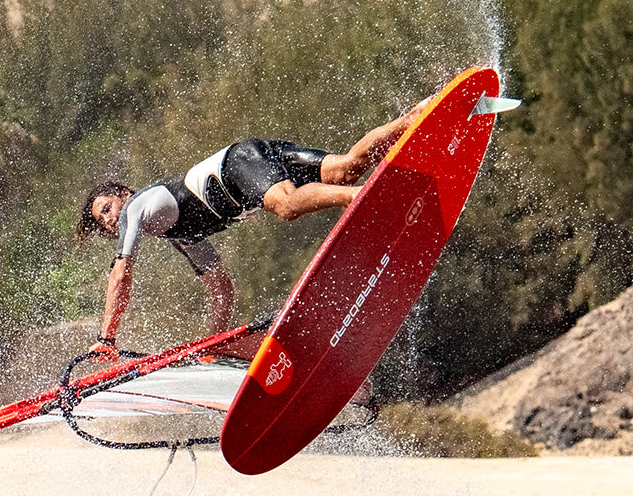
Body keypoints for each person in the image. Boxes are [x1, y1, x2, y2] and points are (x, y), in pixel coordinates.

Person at [77, 107, 425, 354]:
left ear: (122, 193)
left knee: (286, 205)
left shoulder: (135, 207)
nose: (108, 220)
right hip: (251, 157)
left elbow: (120, 274)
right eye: (101, 221)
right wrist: (213, 342)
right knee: (345, 168)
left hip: (239, 166)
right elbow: (219, 286)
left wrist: (107, 339)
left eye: (106, 208)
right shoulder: (179, 233)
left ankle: (367, 198)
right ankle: (415, 117)